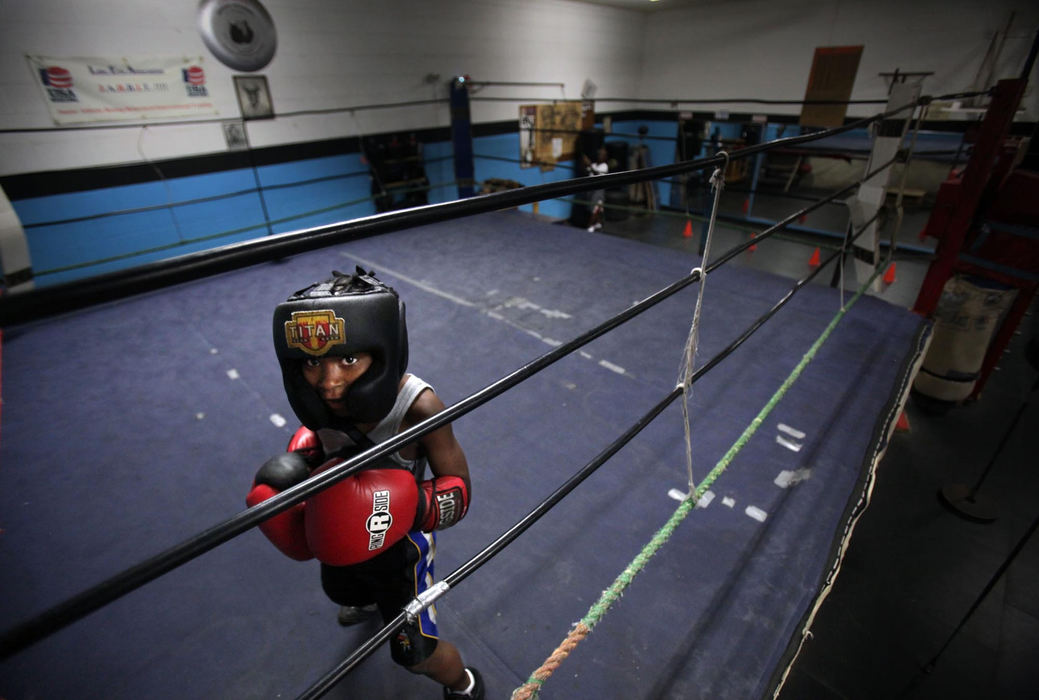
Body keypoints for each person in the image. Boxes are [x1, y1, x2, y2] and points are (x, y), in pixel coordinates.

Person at [246, 268, 484, 699]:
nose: (329, 380)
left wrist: (408, 508)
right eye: (314, 361)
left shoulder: (418, 407)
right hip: (338, 531)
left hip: (401, 547)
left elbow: (459, 489)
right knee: (340, 587)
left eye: (349, 360)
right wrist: (300, 466)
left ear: (383, 351)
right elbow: (319, 446)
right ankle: (363, 599)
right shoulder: (320, 403)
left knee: (416, 654)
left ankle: (464, 684)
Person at [583, 147, 609, 232]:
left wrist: (589, 165)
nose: (600, 156)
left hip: (598, 190)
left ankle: (589, 226)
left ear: (605, 157)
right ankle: (599, 222)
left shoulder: (604, 166)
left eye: (602, 155)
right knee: (597, 208)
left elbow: (597, 175)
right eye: (599, 154)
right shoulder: (594, 165)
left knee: (595, 208)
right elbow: (588, 173)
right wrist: (585, 163)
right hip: (590, 189)